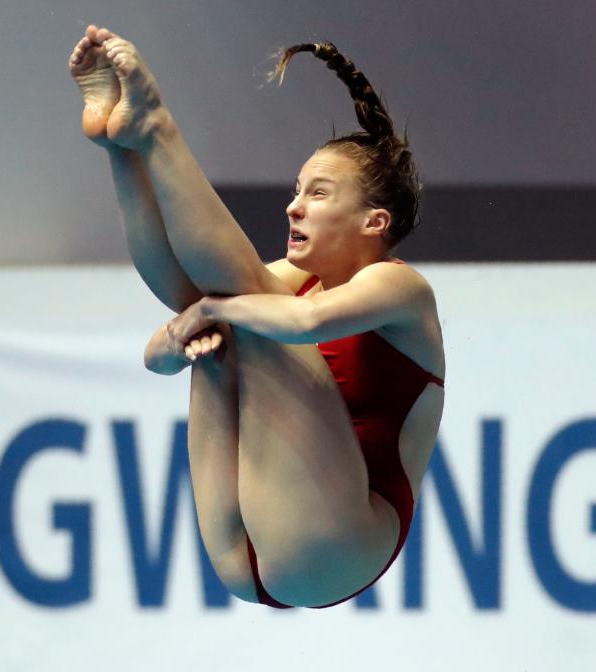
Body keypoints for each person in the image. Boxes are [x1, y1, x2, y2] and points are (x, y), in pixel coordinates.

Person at [69, 25, 445, 608]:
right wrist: (183, 336)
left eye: (318, 194)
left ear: (375, 222)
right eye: (298, 190)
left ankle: (155, 129)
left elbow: (307, 323)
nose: (293, 205)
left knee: (241, 304)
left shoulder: (402, 287)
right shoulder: (292, 287)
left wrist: (212, 311)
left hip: (340, 547)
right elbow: (161, 347)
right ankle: (122, 150)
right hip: (248, 552)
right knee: (222, 319)